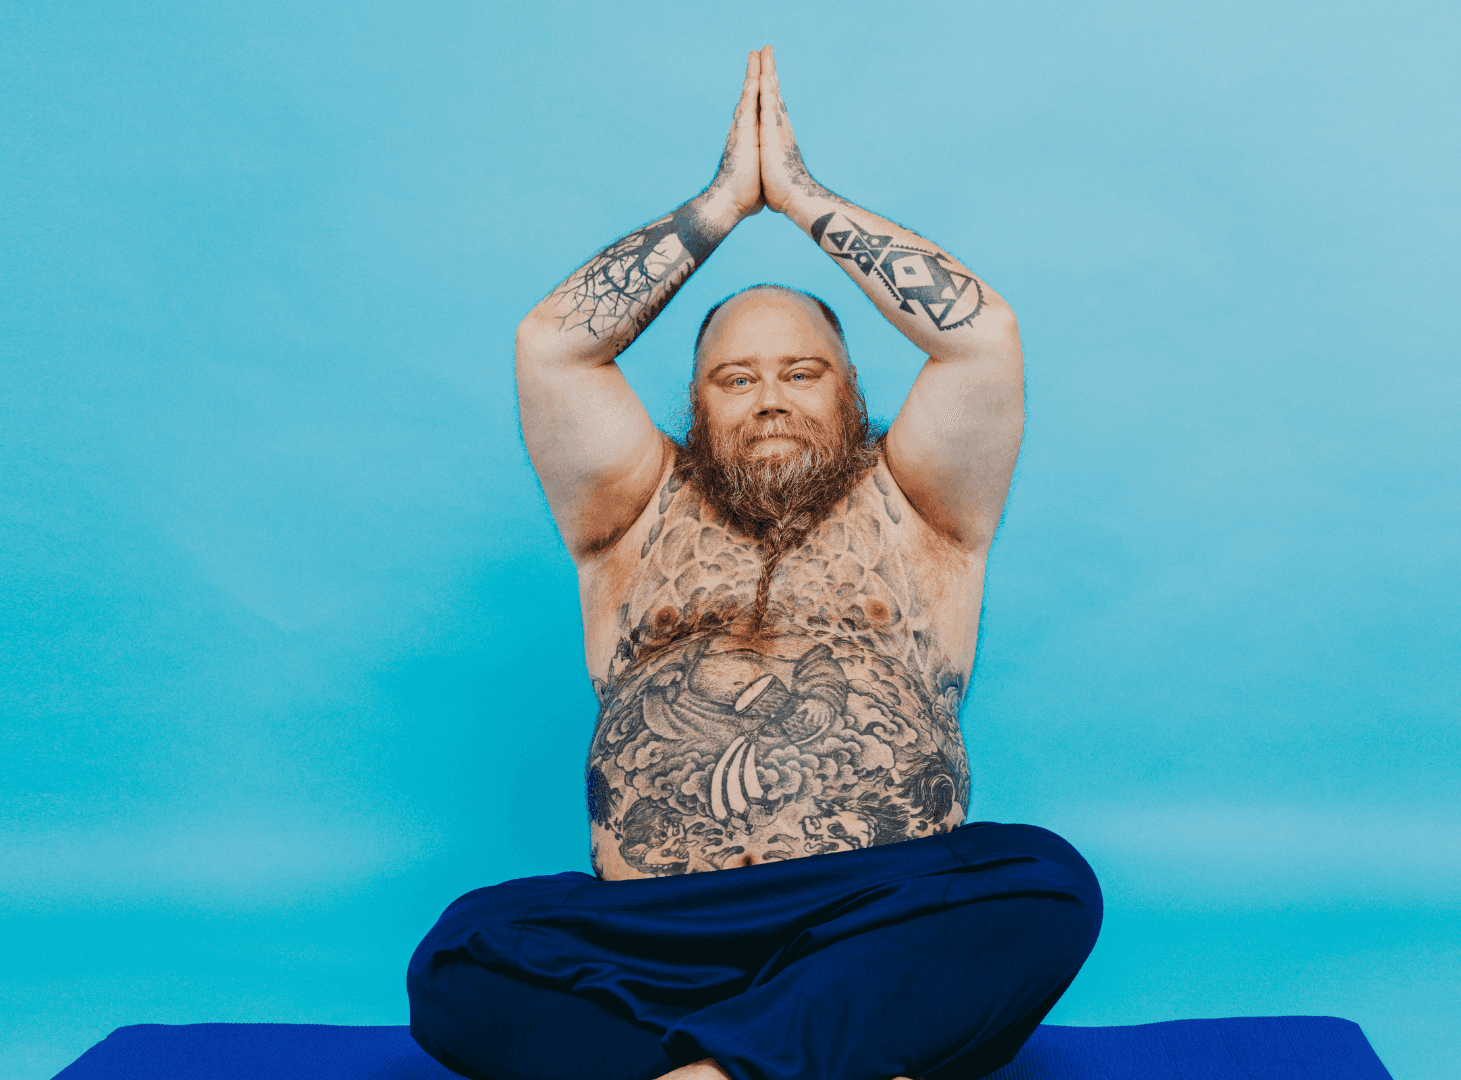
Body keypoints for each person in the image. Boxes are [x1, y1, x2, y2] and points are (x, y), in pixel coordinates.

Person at [408, 47, 1101, 1080]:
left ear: (849, 392)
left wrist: (805, 201)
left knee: (1044, 882)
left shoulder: (919, 507)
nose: (771, 396)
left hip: (874, 915)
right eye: (736, 377)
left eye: (802, 373)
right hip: (658, 933)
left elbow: (981, 339)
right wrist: (726, 204)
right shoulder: (633, 514)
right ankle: (817, 1056)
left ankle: (708, 1070)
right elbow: (552, 343)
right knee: (463, 953)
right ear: (697, 402)